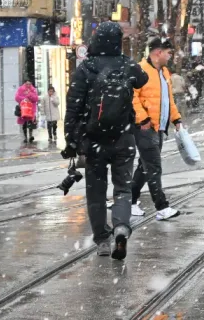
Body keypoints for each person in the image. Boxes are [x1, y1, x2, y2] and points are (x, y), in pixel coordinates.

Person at [62, 21, 148, 260]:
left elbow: (73, 106)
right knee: (123, 188)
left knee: (96, 191)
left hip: (94, 141)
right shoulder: (127, 65)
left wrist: (71, 139)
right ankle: (121, 227)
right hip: (124, 137)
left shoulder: (86, 68)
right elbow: (142, 80)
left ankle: (101, 239)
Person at [131, 37, 183, 220]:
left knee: (144, 167)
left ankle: (129, 201)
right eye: (169, 53)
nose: (170, 57)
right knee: (153, 167)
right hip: (145, 127)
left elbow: (168, 99)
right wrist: (142, 119)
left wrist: (176, 119)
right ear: (158, 52)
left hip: (159, 127)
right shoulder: (139, 70)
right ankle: (162, 207)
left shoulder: (165, 72)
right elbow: (132, 97)